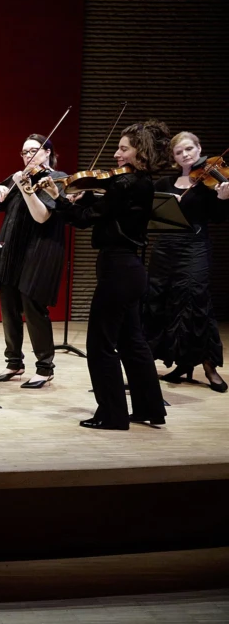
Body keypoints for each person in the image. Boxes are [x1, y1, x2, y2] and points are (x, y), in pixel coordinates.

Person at [45, 120, 169, 429]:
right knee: (132, 343)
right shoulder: (142, 183)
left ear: (140, 152)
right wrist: (84, 197)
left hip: (117, 270)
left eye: (123, 148)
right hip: (131, 270)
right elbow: (107, 209)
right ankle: (148, 409)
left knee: (100, 346)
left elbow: (87, 218)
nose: (116, 154)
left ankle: (112, 415)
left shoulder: (124, 184)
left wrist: (58, 198)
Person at [142, 131, 229, 393]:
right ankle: (174, 364)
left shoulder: (210, 181)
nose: (186, 155)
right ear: (174, 157)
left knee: (195, 302)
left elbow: (217, 218)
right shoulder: (164, 184)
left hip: (195, 247)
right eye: (179, 152)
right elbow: (150, 214)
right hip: (165, 250)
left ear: (199, 148)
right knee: (162, 302)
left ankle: (208, 365)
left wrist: (224, 199)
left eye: (190, 149)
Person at [0, 135, 67, 389]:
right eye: (23, 152)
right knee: (8, 305)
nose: (27, 156)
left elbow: (42, 216)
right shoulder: (16, 176)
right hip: (13, 249)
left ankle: (45, 367)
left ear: (47, 153)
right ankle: (14, 362)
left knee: (32, 306)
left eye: (33, 151)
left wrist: (25, 188)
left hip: (40, 250)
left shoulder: (56, 178)